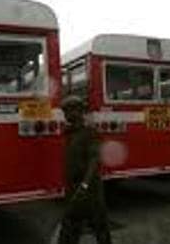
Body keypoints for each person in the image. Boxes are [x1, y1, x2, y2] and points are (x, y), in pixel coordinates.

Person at [58, 95, 112, 244]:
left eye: (69, 111)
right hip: (74, 187)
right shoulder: (70, 134)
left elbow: (94, 160)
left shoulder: (89, 133)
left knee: (99, 225)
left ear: (80, 111)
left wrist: (85, 185)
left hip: (90, 189)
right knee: (70, 225)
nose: (66, 115)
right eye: (64, 112)